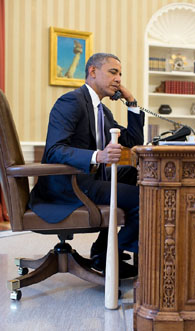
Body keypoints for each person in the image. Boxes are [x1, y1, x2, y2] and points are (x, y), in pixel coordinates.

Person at [29, 53, 144, 279]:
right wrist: (98, 156)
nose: (119, 78)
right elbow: (54, 150)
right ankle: (110, 253)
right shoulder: (71, 101)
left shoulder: (103, 110)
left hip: (91, 179)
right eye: (113, 72)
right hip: (69, 184)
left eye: (120, 74)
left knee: (133, 175)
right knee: (144, 200)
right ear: (92, 72)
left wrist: (131, 103)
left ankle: (103, 251)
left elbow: (132, 141)